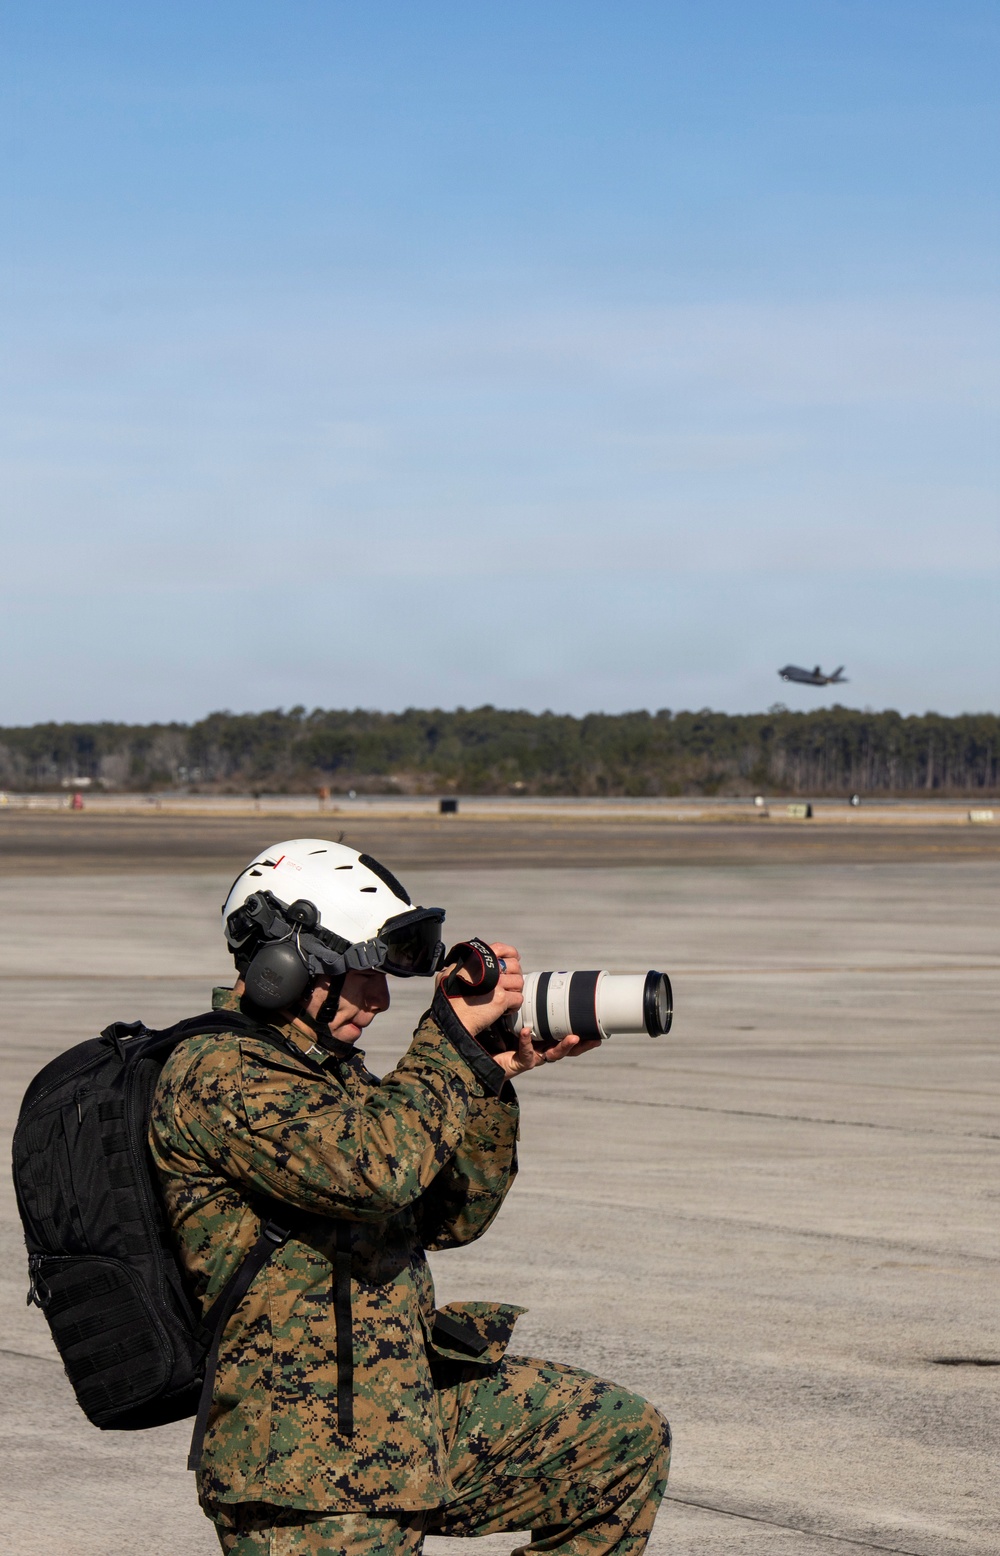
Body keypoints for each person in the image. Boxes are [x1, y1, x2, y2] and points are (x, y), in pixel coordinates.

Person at [149, 838, 671, 1555]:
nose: (383, 997)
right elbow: (378, 1170)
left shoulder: (331, 1077)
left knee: (618, 1438)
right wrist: (446, 1043)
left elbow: (447, 1215)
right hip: (306, 1469)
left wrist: (486, 1076)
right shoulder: (218, 1076)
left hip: (403, 1418)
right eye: (365, 972)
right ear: (289, 967)